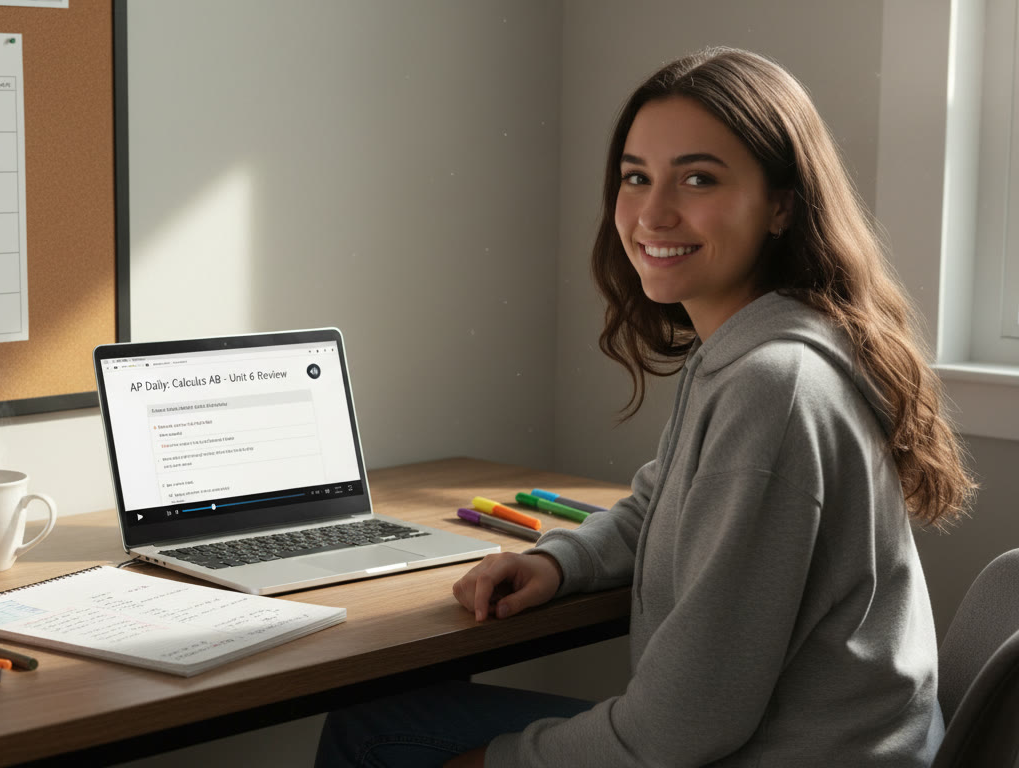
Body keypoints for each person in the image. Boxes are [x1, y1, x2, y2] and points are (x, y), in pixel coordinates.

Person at [315, 46, 976, 768]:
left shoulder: (771, 385)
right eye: (637, 177)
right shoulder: (766, 344)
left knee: (372, 733)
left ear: (781, 205)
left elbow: (680, 728)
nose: (654, 213)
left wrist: (495, 763)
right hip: (835, 745)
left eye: (698, 178)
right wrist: (560, 564)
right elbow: (661, 503)